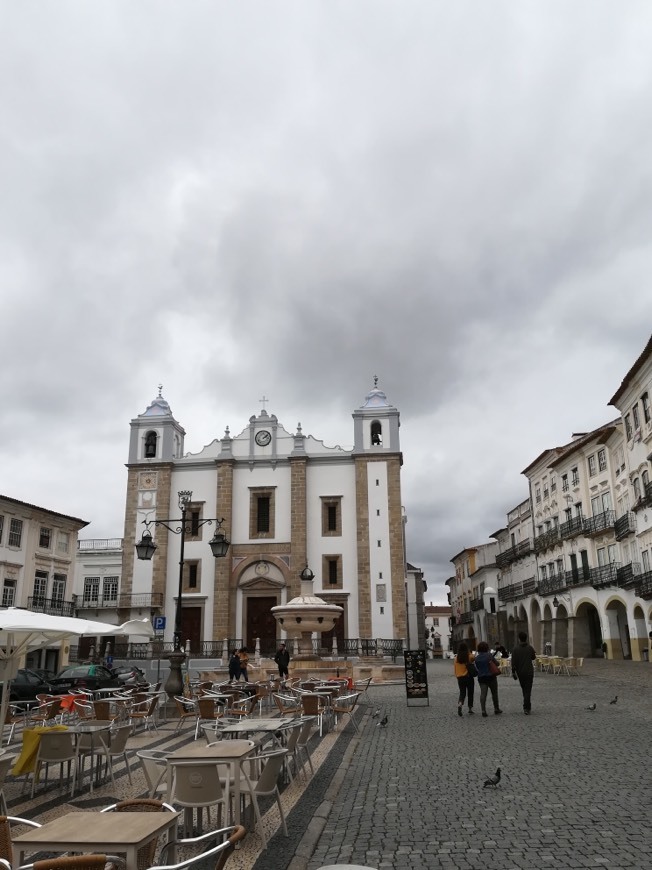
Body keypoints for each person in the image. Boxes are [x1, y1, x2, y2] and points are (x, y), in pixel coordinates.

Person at [511, 630, 537, 715]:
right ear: (526, 639)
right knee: (528, 690)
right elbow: (533, 657)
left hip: (520, 672)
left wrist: (513, 672)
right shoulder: (530, 648)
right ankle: (527, 707)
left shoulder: (515, 649)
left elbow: (513, 662)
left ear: (519, 639)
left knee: (524, 689)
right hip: (529, 671)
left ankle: (526, 706)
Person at [474, 641, 502, 717]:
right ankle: (496, 709)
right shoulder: (489, 655)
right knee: (494, 693)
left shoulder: (476, 658)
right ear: (487, 648)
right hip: (491, 677)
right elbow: (497, 664)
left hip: (481, 678)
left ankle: (483, 710)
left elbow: (477, 667)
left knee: (483, 694)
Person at [454, 642, 476, 716]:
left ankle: (460, 704)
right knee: (470, 693)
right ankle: (470, 708)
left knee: (462, 692)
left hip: (460, 678)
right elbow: (473, 657)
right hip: (468, 677)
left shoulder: (457, 658)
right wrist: (469, 652)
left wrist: (457, 676)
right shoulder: (469, 656)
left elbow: (455, 668)